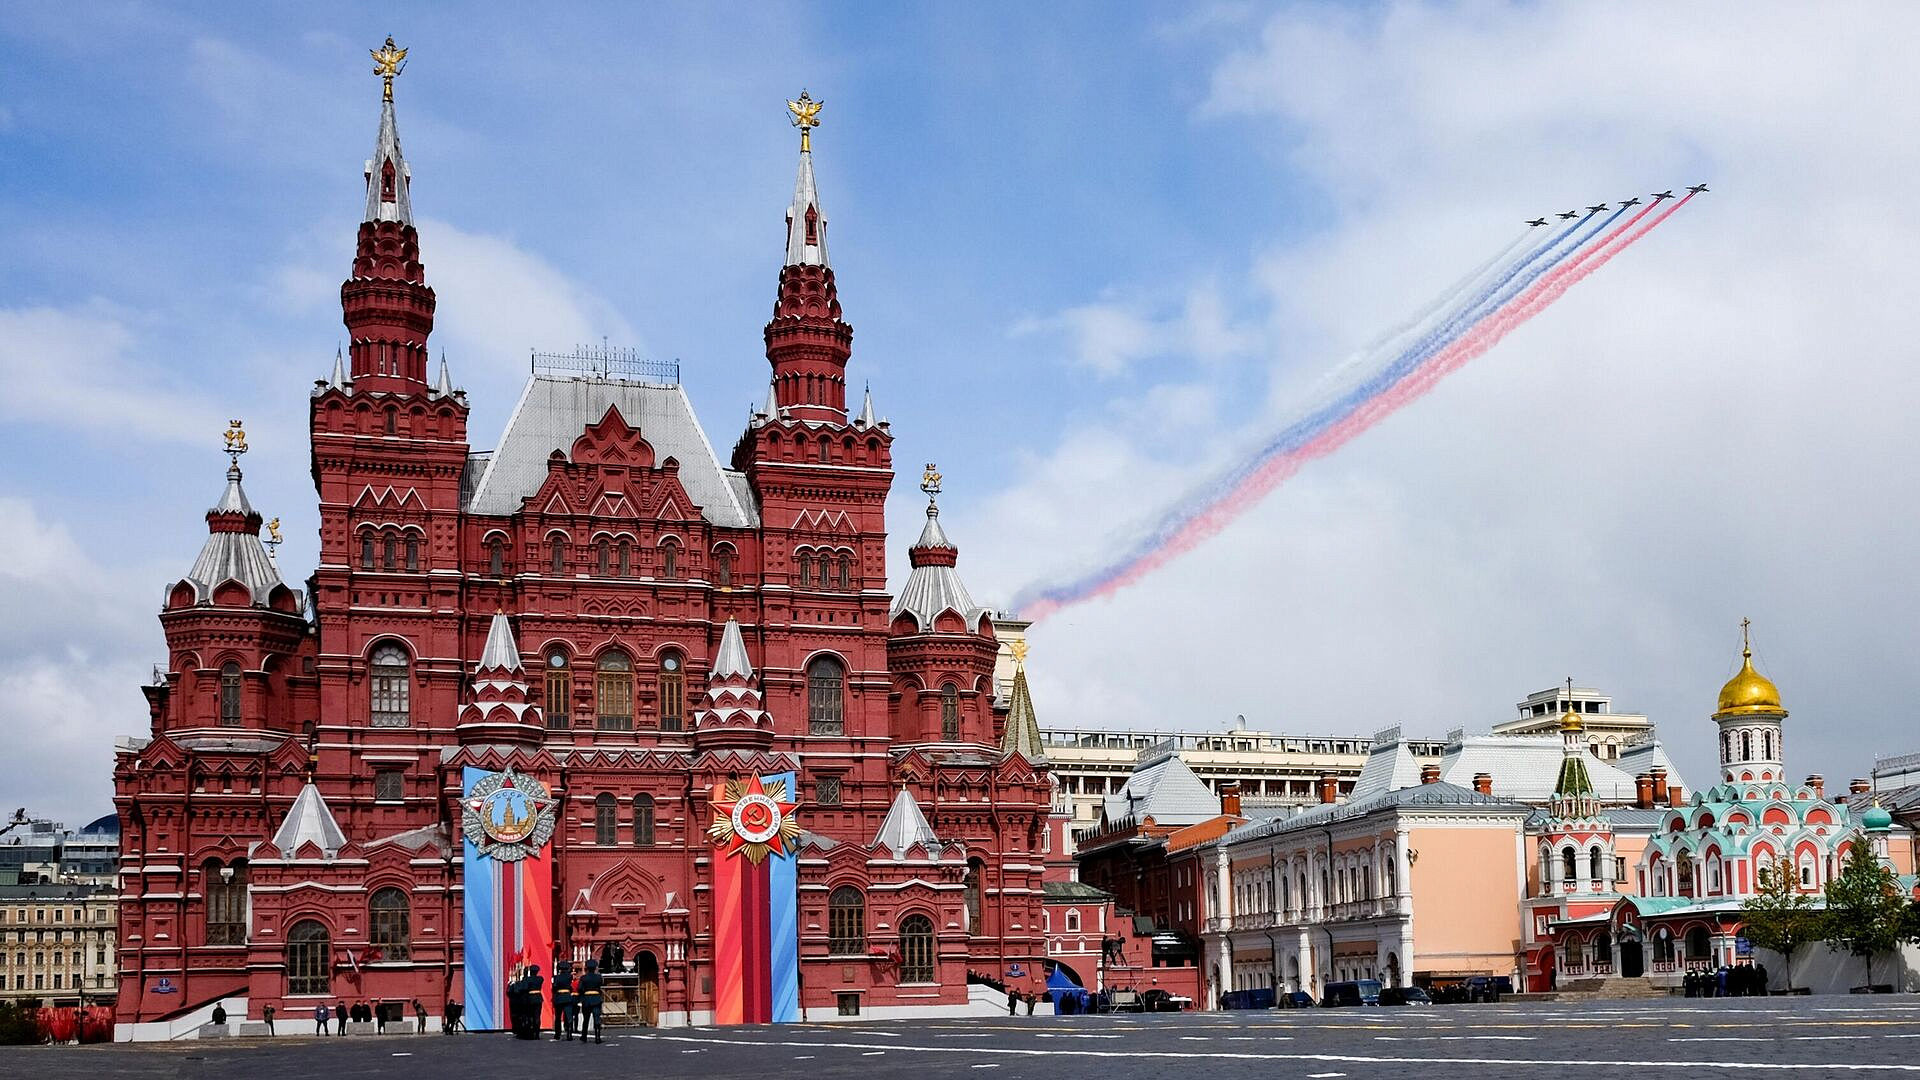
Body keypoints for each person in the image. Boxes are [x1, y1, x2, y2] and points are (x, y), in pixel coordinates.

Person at [576, 959, 604, 1044]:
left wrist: (582, 996)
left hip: (587, 999)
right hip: (596, 998)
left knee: (586, 1019)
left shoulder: (583, 978)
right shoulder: (599, 977)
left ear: (587, 968)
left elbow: (580, 988)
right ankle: (597, 1037)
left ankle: (584, 1036)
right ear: (595, 968)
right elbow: (600, 985)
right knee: (597, 1018)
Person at [552, 961, 576, 1041]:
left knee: (558, 1017)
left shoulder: (556, 977)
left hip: (559, 997)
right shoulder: (569, 977)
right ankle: (569, 1034)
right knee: (569, 1016)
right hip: (567, 997)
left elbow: (554, 988)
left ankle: (557, 1034)